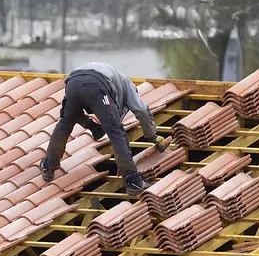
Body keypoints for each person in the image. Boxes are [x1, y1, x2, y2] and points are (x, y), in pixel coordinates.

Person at [41, 62, 169, 196]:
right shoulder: (128, 86)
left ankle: (48, 165)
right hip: (96, 84)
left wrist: (93, 127)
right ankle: (132, 180)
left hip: (73, 82)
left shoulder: (113, 80)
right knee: (116, 132)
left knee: (65, 123)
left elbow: (76, 114)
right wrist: (152, 135)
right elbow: (142, 110)